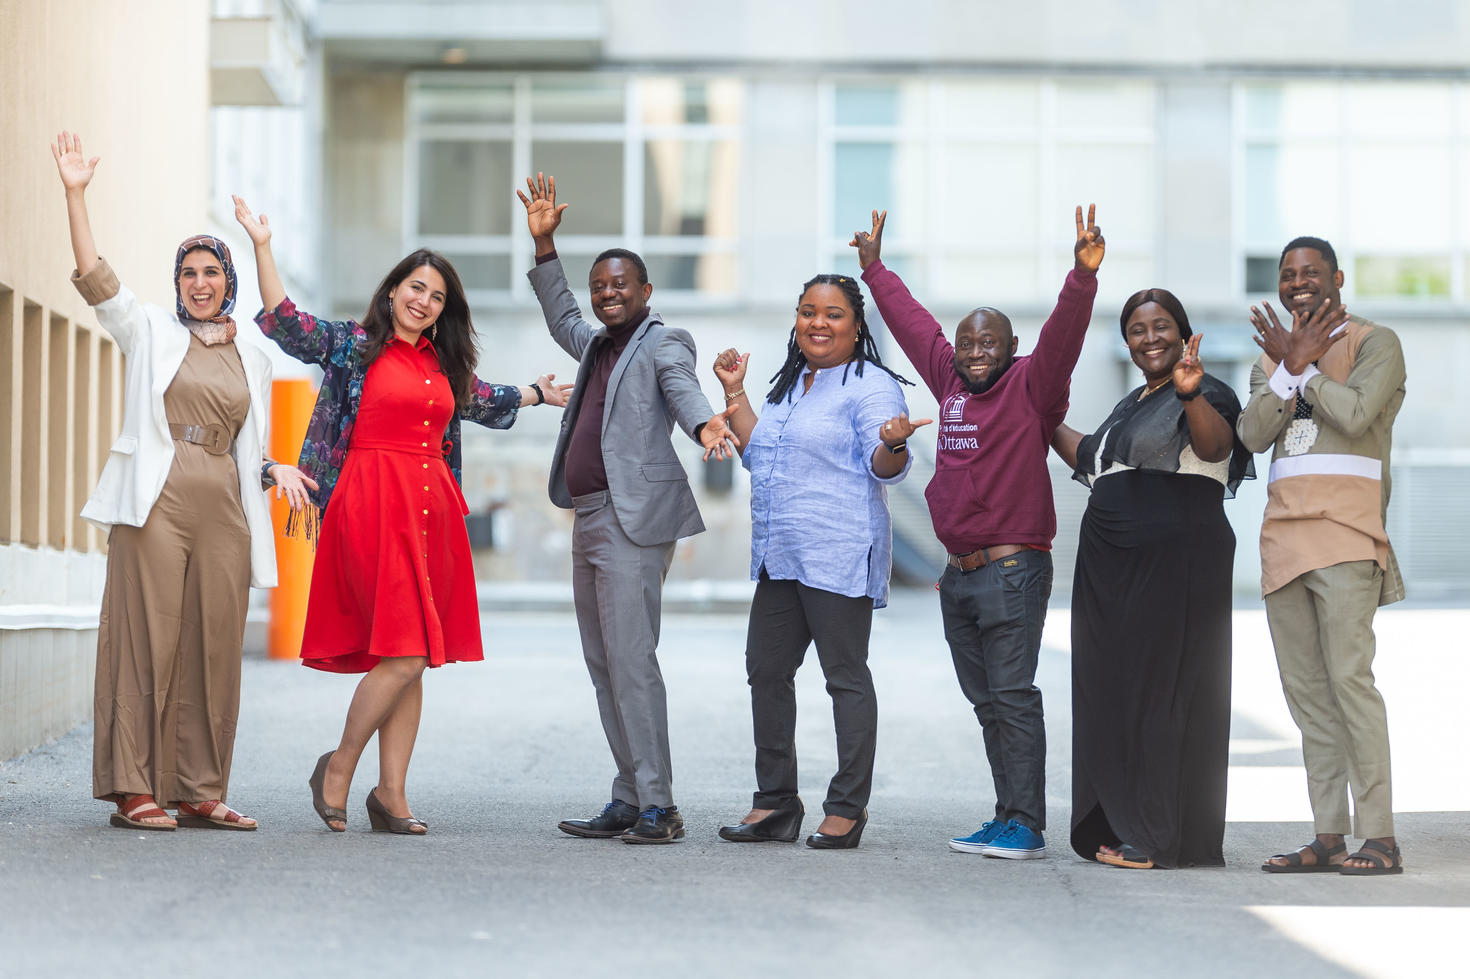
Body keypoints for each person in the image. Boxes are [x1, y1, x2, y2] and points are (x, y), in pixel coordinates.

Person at [234, 197, 570, 835]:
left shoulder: (441, 365)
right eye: (416, 287)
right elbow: (284, 322)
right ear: (391, 292)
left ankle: (391, 795)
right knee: (407, 653)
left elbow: (476, 400)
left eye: (437, 296)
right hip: (368, 505)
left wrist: (534, 393)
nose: (425, 301)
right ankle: (339, 765)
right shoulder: (353, 346)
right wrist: (261, 246)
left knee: (409, 651)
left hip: (429, 513)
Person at [53, 132, 316, 832]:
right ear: (178, 284)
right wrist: (76, 195)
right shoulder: (149, 332)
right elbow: (97, 281)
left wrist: (274, 466)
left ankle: (201, 787)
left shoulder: (254, 354)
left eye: (211, 272)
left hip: (226, 509)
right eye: (189, 273)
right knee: (148, 640)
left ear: (228, 280)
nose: (200, 282)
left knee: (215, 644)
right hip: (157, 502)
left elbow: (246, 439)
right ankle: (135, 787)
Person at [851, 205, 1104, 859]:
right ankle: (1006, 812)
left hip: (1013, 568)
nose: (975, 351)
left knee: (1013, 695)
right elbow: (914, 328)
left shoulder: (1031, 387)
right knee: (988, 701)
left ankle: (1027, 822)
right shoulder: (950, 383)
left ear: (1012, 349)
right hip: (958, 573)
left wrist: (1081, 276)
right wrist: (875, 270)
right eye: (967, 342)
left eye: (989, 342)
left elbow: (1065, 338)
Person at [517, 173, 738, 844]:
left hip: (631, 519)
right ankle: (629, 792)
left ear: (646, 293)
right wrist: (546, 246)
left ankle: (659, 806)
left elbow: (683, 389)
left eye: (621, 285)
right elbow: (562, 320)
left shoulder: (662, 343)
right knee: (603, 661)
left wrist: (705, 425)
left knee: (632, 659)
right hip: (587, 515)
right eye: (599, 287)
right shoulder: (598, 347)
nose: (608, 293)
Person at [709, 275, 921, 849]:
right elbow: (758, 453)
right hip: (783, 556)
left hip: (840, 552)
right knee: (766, 671)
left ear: (857, 325)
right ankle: (775, 802)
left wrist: (894, 443)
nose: (818, 323)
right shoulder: (789, 384)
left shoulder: (871, 386)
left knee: (844, 679)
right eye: (807, 312)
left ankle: (848, 807)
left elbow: (885, 466)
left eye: (832, 314)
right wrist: (736, 392)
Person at [1051, 289, 1253, 870]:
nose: (1150, 338)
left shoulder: (1206, 391)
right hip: (1109, 566)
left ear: (1183, 332)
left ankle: (1161, 834)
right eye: (1137, 330)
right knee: (1112, 691)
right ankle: (1115, 820)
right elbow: (1091, 459)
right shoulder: (1130, 404)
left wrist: (1191, 394)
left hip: (1173, 558)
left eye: (1162, 326)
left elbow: (1216, 447)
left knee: (1164, 691)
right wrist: (1040, 419)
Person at [1241, 236, 1407, 876]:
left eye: (1311, 272)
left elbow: (1359, 414)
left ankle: (1381, 837)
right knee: (1308, 697)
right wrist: (1286, 366)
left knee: (1350, 685)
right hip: (1284, 543)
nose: (1298, 282)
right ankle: (1329, 835)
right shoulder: (1273, 357)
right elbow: (1253, 435)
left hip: (1345, 534)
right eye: (1288, 274)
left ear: (1337, 278)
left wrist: (1304, 366)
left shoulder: (1375, 342)